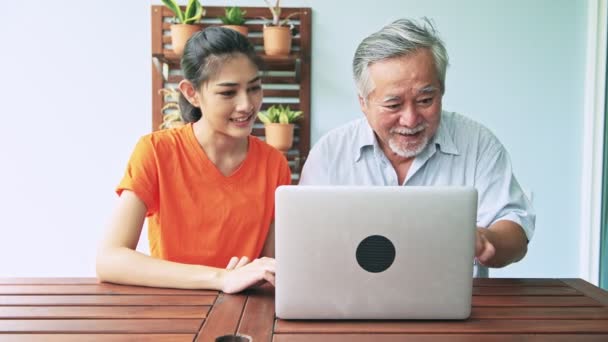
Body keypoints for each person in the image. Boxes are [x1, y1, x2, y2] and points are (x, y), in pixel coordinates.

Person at [299, 18, 535, 277]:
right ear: (363, 102)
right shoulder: (330, 153)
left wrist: (486, 241)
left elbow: (515, 227)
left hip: (453, 308)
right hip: (349, 304)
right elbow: (305, 242)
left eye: (425, 100)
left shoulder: (478, 144)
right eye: (393, 105)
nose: (410, 119)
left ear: (442, 92)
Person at [96, 27, 291, 292]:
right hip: (173, 309)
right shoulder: (155, 151)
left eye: (254, 88)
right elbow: (109, 259)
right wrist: (221, 279)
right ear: (192, 93)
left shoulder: (273, 164)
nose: (247, 104)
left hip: (243, 314)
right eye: (228, 93)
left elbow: (270, 268)